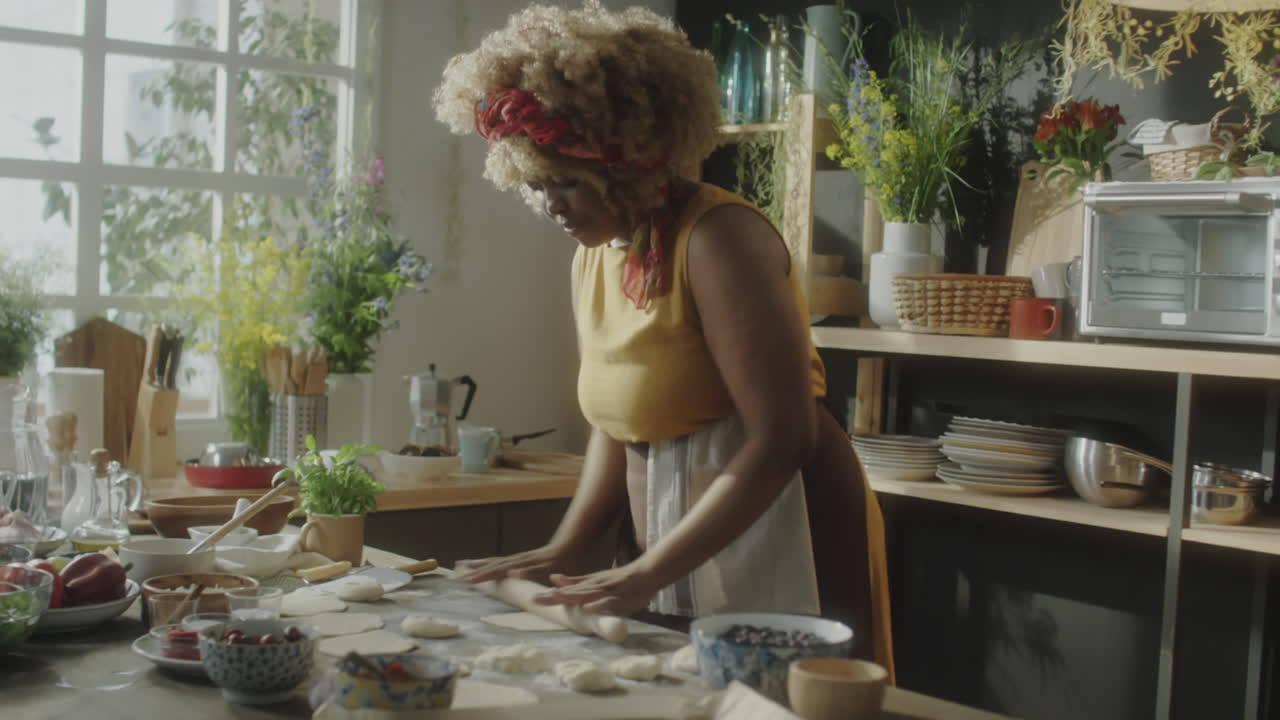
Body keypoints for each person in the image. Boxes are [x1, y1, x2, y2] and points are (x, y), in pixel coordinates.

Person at [434, 1, 892, 671]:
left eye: (569, 181)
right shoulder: (593, 251)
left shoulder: (717, 240)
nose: (550, 204)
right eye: (536, 182)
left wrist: (649, 569)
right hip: (662, 534)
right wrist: (566, 548)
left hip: (779, 522)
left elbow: (785, 437)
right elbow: (621, 423)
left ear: (624, 163)